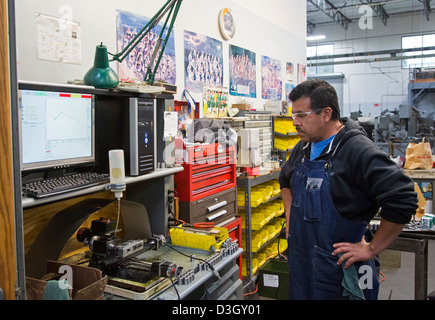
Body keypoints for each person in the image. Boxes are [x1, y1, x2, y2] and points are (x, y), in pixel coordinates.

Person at [279, 79, 418, 300]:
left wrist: (371, 249)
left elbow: (403, 198)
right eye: (293, 115)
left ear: (326, 114)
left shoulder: (358, 150)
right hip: (303, 266)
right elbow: (285, 179)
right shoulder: (303, 147)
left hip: (341, 270)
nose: (295, 122)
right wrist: (290, 215)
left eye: (301, 115)